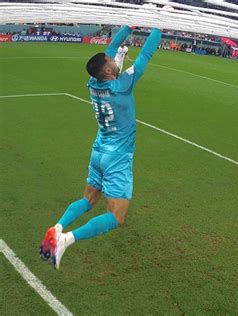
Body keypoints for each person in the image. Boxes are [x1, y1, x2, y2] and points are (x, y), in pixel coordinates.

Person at [39, 26, 162, 269]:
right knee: (117, 216)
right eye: (110, 60)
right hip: (117, 155)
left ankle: (58, 227)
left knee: (88, 199)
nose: (113, 57)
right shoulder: (121, 85)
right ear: (107, 69)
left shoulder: (94, 83)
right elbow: (146, 55)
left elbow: (110, 50)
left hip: (99, 149)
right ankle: (65, 239)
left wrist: (127, 27)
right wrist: (158, 25)